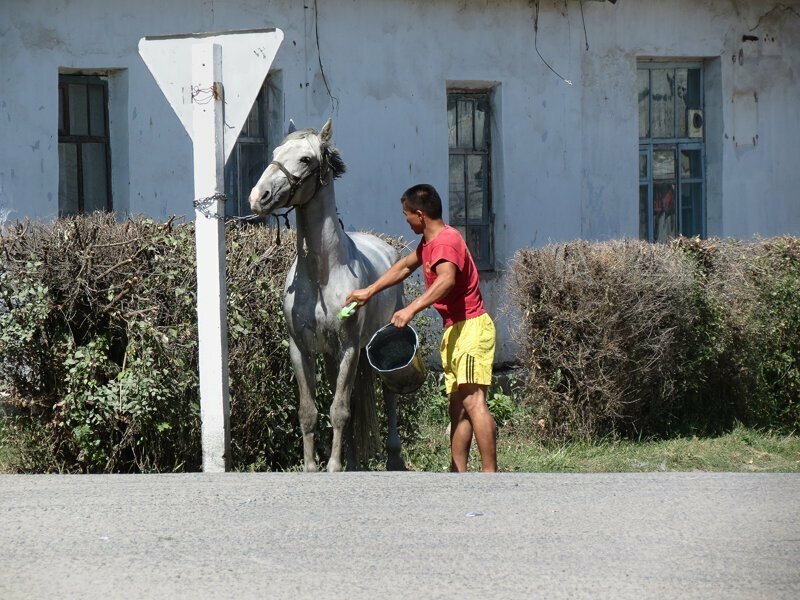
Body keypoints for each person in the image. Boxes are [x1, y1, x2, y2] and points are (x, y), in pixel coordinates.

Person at [345, 183, 497, 472]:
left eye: (407, 216)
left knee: (474, 401)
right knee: (458, 408)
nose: (406, 221)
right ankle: (458, 474)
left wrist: (411, 309)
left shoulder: (445, 241)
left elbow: (446, 280)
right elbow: (404, 267)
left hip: (472, 328)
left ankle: (491, 477)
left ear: (420, 214)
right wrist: (369, 290)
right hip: (456, 329)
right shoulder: (430, 242)